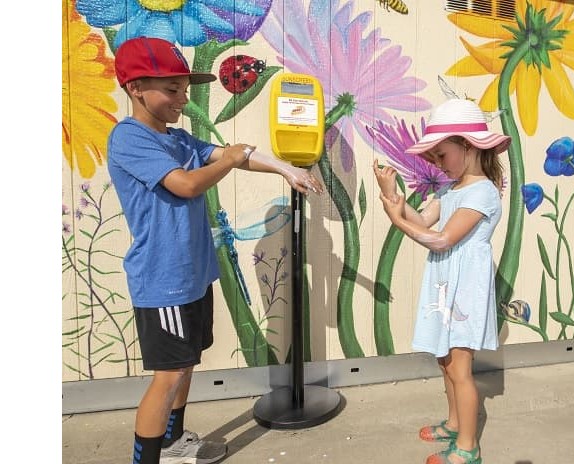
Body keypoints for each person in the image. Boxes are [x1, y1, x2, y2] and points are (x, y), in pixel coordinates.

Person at [107, 36, 324, 464]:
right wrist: (228, 159)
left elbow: (233, 154)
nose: (182, 99)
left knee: (185, 365)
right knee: (167, 375)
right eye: (171, 89)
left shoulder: (180, 140)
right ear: (134, 88)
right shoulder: (129, 139)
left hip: (193, 273)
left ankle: (172, 443)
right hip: (163, 279)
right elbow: (186, 185)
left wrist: (286, 169)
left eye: (184, 89)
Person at [372, 98, 510, 464]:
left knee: (461, 369)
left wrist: (395, 219)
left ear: (467, 145)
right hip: (446, 285)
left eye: (441, 154)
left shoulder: (482, 192)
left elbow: (443, 238)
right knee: (445, 361)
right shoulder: (450, 191)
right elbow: (423, 222)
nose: (437, 163)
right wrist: (391, 195)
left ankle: (468, 447)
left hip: (465, 289)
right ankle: (454, 423)